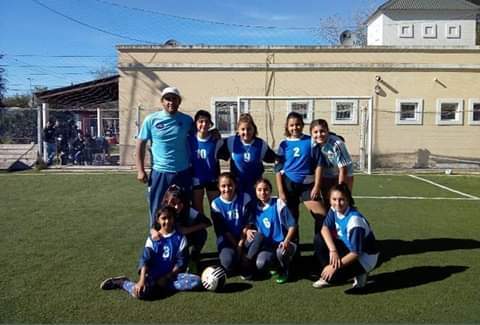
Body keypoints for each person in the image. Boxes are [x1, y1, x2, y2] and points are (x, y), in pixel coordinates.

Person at [100, 206, 201, 299]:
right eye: (163, 218)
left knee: (196, 281)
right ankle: (122, 283)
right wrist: (141, 280)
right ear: (158, 220)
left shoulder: (180, 238)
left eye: (170, 218)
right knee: (139, 293)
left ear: (174, 219)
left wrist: (167, 277)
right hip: (154, 275)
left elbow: (181, 262)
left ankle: (160, 286)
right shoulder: (153, 238)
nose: (167, 221)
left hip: (171, 276)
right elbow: (145, 259)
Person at [136, 86, 194, 228]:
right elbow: (140, 144)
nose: (171, 102)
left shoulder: (187, 120)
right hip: (160, 173)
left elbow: (200, 136)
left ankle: (181, 244)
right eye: (168, 99)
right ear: (162, 101)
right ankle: (155, 242)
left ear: (179, 102)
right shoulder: (151, 120)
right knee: (156, 209)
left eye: (174, 99)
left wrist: (215, 133)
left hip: (183, 172)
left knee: (183, 208)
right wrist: (140, 170)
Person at [312, 183, 379, 290]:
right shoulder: (334, 209)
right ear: (330, 199)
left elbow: (356, 253)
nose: (337, 203)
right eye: (334, 199)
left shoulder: (354, 222)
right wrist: (333, 250)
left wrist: (333, 268)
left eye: (341, 199)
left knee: (333, 277)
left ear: (348, 200)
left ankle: (361, 273)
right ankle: (331, 273)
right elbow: (324, 228)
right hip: (348, 248)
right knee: (319, 239)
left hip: (363, 258)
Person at [275, 112, 326, 237]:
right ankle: (293, 251)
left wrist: (317, 186)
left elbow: (319, 164)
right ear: (287, 127)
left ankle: (320, 248)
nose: (295, 127)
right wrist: (281, 191)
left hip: (307, 186)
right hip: (289, 185)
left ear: (302, 125)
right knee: (291, 221)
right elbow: (278, 169)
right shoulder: (283, 144)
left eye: (298, 124)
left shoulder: (311, 141)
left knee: (322, 216)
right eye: (291, 125)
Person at [244, 178, 297, 284]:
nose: (263, 192)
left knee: (280, 252)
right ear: (255, 192)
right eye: (259, 190)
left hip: (283, 243)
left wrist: (286, 241)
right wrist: (247, 230)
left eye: (266, 189)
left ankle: (285, 270)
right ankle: (275, 266)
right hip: (267, 247)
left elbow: (292, 225)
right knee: (261, 263)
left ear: (270, 190)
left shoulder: (278, 204)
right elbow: (248, 224)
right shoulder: (254, 207)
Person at [153, 184, 212, 274]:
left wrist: (188, 230)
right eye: (173, 203)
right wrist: (154, 232)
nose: (176, 207)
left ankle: (193, 258)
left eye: (180, 203)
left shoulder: (189, 211)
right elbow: (153, 227)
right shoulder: (162, 211)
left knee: (201, 233)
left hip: (184, 240)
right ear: (166, 201)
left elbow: (208, 222)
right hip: (169, 242)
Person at [217, 113, 277, 198]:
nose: (246, 132)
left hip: (255, 188)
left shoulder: (261, 144)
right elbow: (217, 153)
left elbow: (274, 158)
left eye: (249, 129)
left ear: (254, 129)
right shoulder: (231, 141)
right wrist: (214, 135)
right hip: (236, 187)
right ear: (238, 130)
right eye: (243, 129)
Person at [210, 172, 252, 275]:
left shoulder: (245, 197)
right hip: (227, 239)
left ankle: (246, 260)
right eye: (223, 186)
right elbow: (223, 230)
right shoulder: (216, 204)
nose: (227, 189)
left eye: (230, 185)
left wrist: (241, 243)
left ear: (235, 185)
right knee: (227, 262)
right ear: (218, 187)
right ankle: (240, 259)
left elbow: (248, 222)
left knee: (257, 236)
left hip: (244, 237)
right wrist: (237, 246)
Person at [310, 119, 354, 209]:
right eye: (315, 132)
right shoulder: (311, 143)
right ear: (311, 133)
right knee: (328, 203)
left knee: (342, 201)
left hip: (343, 173)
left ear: (328, 131)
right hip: (325, 174)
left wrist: (340, 187)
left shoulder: (337, 144)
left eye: (322, 131)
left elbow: (343, 169)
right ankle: (329, 221)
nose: (319, 134)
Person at [189, 110, 223, 215]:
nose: (203, 124)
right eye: (201, 121)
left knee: (216, 210)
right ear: (196, 123)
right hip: (196, 179)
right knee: (198, 210)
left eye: (206, 122)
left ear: (210, 124)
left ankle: (220, 231)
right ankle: (201, 231)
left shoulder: (216, 140)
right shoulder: (189, 139)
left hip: (212, 179)